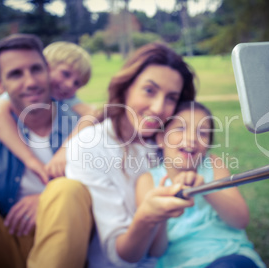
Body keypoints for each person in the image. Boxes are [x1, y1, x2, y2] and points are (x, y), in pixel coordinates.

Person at [0, 34, 93, 268]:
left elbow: (106, 184)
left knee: (66, 190)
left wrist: (48, 200)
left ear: (47, 70)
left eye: (36, 70)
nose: (30, 82)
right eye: (16, 74)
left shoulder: (80, 125)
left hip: (64, 242)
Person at [56, 42, 197, 267]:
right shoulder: (88, 146)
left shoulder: (173, 142)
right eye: (149, 90)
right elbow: (117, 257)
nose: (159, 108)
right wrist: (148, 216)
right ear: (126, 87)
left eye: (171, 97)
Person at [135, 101, 266, 268]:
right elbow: (156, 251)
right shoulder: (148, 181)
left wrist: (205, 189)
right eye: (180, 129)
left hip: (229, 255)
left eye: (202, 133)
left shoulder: (212, 164)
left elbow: (240, 221)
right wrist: (162, 212)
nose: (191, 138)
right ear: (161, 138)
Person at [0, 41, 95, 183]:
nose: (69, 85)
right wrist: (31, 160)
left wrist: (65, 151)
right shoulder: (21, 92)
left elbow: (92, 114)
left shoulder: (65, 100)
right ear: (46, 67)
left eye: (77, 83)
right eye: (65, 74)